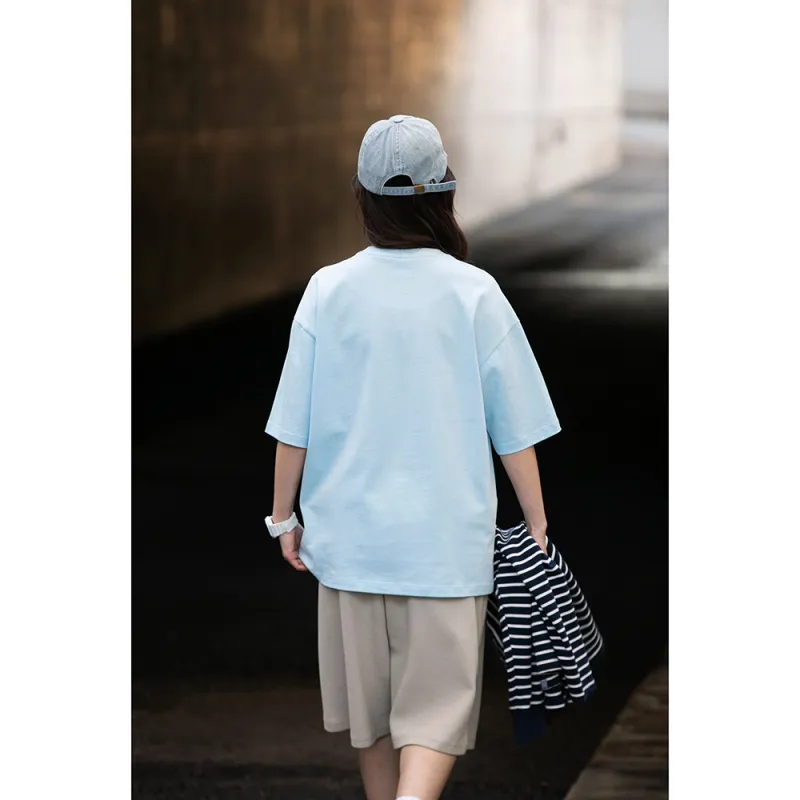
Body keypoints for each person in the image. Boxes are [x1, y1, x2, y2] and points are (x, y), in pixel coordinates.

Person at [264, 115, 560, 800]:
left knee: (370, 716)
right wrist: (536, 521)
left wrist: (284, 519)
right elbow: (514, 429)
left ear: (363, 196)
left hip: (348, 543)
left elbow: (292, 427)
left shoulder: (327, 290)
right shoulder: (474, 293)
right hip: (446, 548)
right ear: (444, 192)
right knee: (434, 713)